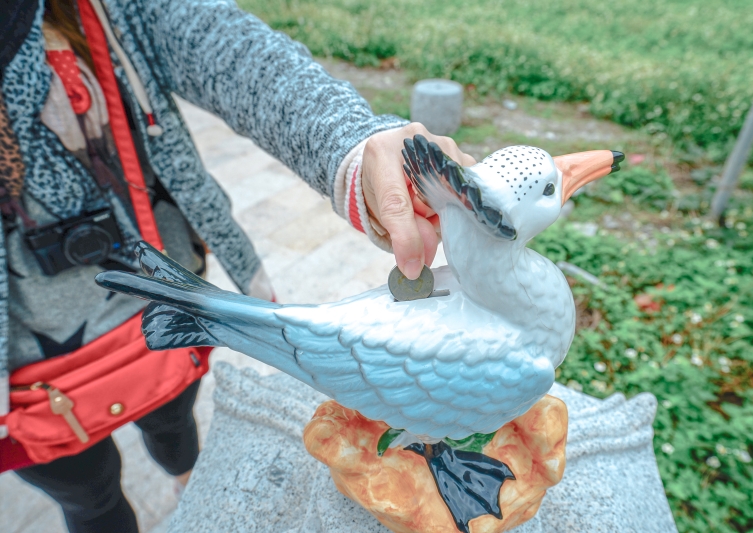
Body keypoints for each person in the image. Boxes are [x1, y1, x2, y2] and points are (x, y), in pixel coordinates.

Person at [0, 0, 475, 531]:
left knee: (175, 426)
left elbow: (233, 52)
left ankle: (187, 481)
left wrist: (356, 145)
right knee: (89, 495)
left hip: (165, 299)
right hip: (28, 367)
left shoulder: (104, 9)